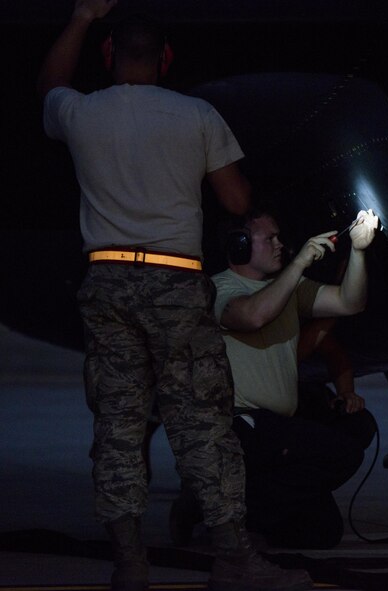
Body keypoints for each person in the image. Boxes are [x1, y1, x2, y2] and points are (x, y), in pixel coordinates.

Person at [37, 2, 312, 590]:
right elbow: (238, 203)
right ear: (165, 59)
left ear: (110, 56)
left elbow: (50, 86)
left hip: (107, 281)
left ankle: (130, 563)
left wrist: (83, 15)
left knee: (118, 425)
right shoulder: (197, 115)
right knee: (202, 423)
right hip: (174, 281)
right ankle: (234, 559)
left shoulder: (81, 111)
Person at [193, 207, 379, 548]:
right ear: (240, 245)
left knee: (322, 533)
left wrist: (359, 252)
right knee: (342, 454)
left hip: (277, 427)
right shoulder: (217, 288)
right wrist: (299, 264)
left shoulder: (290, 288)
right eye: (270, 239)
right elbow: (253, 316)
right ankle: (225, 515)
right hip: (241, 427)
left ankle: (236, 513)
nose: (281, 245)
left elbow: (350, 303)